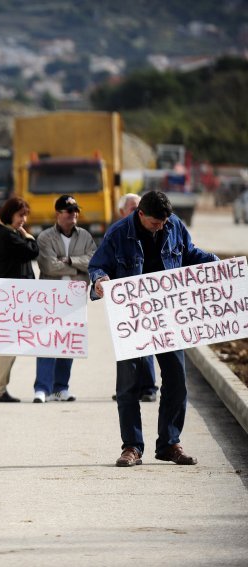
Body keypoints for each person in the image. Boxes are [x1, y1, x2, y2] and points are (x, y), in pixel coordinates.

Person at [88, 190, 218, 467]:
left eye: (163, 222)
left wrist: (217, 266)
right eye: (154, 222)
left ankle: (170, 444)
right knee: (128, 386)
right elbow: (98, 265)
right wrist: (100, 280)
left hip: (169, 318)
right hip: (132, 320)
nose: (160, 226)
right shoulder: (118, 233)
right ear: (140, 214)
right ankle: (132, 447)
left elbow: (190, 254)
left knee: (177, 383)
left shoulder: (174, 225)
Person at [32, 195, 96, 403]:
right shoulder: (45, 237)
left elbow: (93, 261)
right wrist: (78, 265)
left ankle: (61, 388)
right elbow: (49, 266)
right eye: (69, 211)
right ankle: (42, 388)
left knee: (68, 342)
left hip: (75, 298)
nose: (74, 215)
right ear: (58, 214)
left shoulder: (85, 236)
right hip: (51, 298)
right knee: (47, 341)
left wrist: (68, 260)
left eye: (76, 210)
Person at [0, 196, 39, 403]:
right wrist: (28, 236)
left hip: (13, 297)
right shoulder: (8, 236)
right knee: (7, 346)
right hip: (10, 299)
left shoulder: (6, 233)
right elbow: (32, 252)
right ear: (10, 214)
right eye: (20, 215)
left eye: (26, 215)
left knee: (10, 345)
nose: (23, 220)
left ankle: (0, 388)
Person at [112, 193, 158, 403]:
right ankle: (128, 387)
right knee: (125, 345)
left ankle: (148, 387)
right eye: (132, 208)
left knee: (146, 341)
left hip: (148, 296)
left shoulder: (153, 230)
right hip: (124, 300)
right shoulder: (117, 233)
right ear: (122, 212)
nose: (136, 212)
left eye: (138, 207)